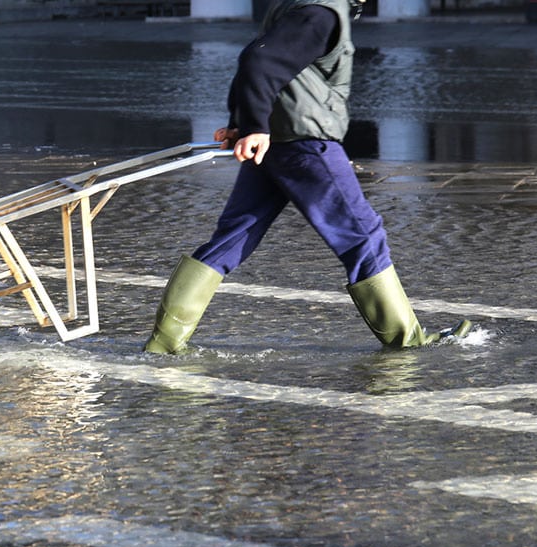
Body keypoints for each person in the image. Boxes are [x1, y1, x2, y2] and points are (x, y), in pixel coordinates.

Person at [144, 0, 471, 354]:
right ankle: (407, 339)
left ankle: (165, 342)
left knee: (234, 235)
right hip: (305, 142)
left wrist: (243, 122)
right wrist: (252, 126)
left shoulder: (300, 4)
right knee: (363, 234)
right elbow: (260, 61)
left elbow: (259, 56)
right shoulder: (322, 9)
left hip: (277, 140)